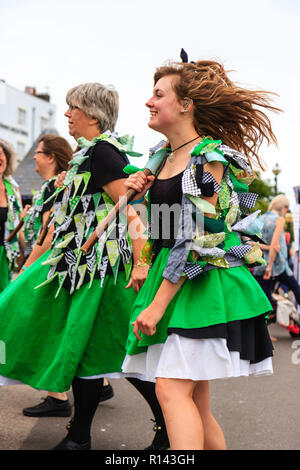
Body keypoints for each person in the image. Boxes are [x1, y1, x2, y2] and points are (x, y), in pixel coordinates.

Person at [122, 55, 279, 450]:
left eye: (158, 94)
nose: (148, 102)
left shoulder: (208, 159)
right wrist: (142, 254)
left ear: (185, 104)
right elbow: (163, 230)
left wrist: (157, 305)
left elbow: (195, 237)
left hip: (202, 283)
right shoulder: (163, 159)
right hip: (176, 283)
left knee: (172, 392)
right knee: (192, 400)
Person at [0, 82, 168, 450]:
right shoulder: (92, 152)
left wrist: (142, 263)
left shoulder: (104, 152)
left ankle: (161, 430)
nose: (66, 114)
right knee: (92, 354)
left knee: (110, 355)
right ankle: (81, 435)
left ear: (92, 115)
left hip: (98, 272)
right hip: (79, 267)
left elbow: (133, 208)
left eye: (72, 107)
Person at [17, 134, 74, 417]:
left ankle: (57, 395)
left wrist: (26, 268)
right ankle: (97, 384)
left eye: (38, 153)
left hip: (49, 266)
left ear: (50, 157)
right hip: (62, 265)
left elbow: (49, 233)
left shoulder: (55, 186)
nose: (34, 158)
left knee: (42, 326)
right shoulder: (58, 185)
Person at [253, 195, 300, 334]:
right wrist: (270, 267)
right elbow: (275, 246)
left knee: (264, 299)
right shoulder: (279, 220)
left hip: (260, 263)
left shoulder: (260, 219)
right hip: (277, 265)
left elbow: (253, 242)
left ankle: (263, 334)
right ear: (283, 208)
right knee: (295, 288)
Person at [0, 139, 22, 292]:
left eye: (0, 154)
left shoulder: (12, 189)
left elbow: (18, 225)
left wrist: (29, 251)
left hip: (5, 254)